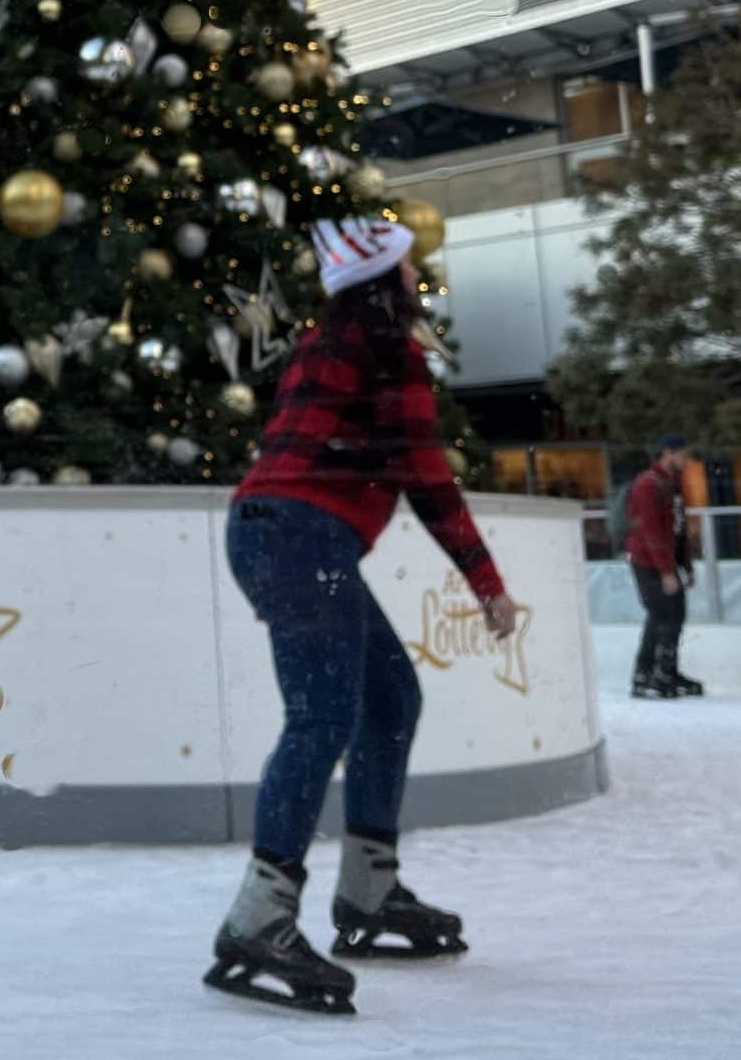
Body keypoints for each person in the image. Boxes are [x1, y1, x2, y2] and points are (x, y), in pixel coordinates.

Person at [204, 217, 519, 1017]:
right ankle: (260, 917)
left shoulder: (324, 340)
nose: (420, 277)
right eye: (411, 266)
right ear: (385, 278)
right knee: (319, 720)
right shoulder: (390, 348)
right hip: (305, 535)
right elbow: (424, 472)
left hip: (274, 529)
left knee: (388, 698)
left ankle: (369, 890)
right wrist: (485, 582)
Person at [626, 435, 702, 698]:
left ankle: (664, 671)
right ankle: (648, 675)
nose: (686, 459)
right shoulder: (648, 485)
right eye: (682, 454)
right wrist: (667, 571)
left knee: (672, 615)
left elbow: (677, 529)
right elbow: (650, 531)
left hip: (665, 562)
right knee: (664, 616)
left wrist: (686, 566)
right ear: (667, 453)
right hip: (647, 562)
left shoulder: (672, 485)